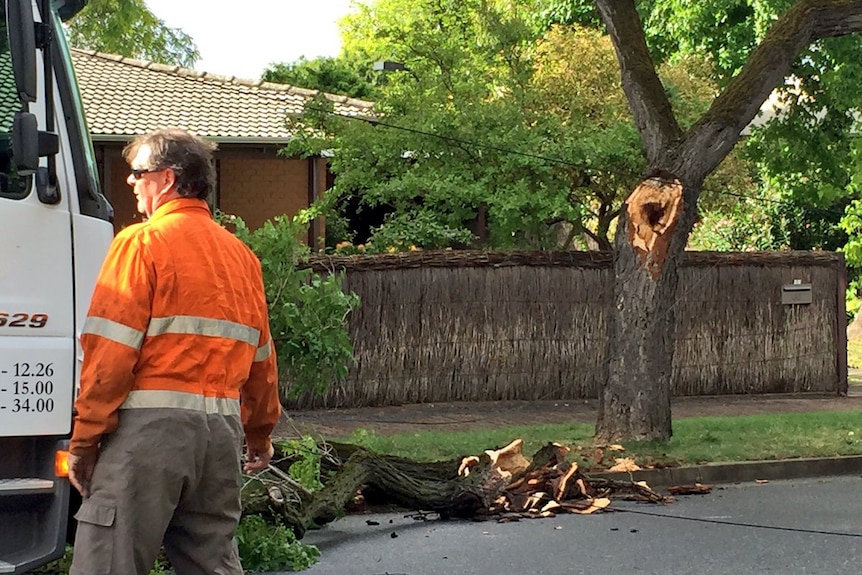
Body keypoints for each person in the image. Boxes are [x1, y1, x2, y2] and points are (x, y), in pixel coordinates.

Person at [68, 128, 281, 575]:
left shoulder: (139, 244)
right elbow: (262, 362)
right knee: (211, 562)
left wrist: (85, 440)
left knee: (109, 561)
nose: (130, 183)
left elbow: (109, 355)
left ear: (165, 180)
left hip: (148, 437)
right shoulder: (242, 258)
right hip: (220, 439)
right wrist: (259, 432)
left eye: (138, 173)